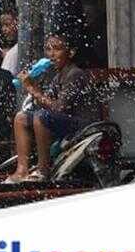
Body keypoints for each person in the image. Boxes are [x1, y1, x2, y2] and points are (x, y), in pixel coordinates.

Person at [5, 35, 96, 183]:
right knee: (21, 118)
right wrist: (33, 84)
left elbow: (59, 108)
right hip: (62, 122)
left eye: (57, 49)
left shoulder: (75, 74)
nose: (51, 54)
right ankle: (21, 170)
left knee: (41, 117)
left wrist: (33, 89)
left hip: (83, 126)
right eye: (48, 49)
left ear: (70, 53)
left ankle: (43, 169)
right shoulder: (57, 77)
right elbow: (45, 103)